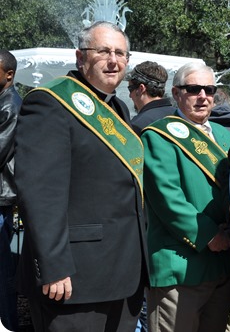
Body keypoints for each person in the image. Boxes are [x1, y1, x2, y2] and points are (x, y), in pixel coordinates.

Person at [15, 21, 147, 331]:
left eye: (120, 53)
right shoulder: (49, 102)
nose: (113, 61)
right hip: (74, 278)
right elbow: (40, 192)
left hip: (123, 274)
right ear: (80, 57)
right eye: (102, 51)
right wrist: (53, 265)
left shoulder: (118, 107)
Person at [141, 62, 230, 332]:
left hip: (222, 265)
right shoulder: (158, 136)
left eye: (209, 90)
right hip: (180, 267)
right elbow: (167, 198)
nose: (203, 96)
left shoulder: (224, 136)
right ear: (176, 93)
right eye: (193, 89)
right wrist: (210, 235)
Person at [0, 50, 21, 331]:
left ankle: (8, 324)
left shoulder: (10, 106)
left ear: (9, 75)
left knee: (2, 273)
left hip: (2, 200)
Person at [128, 61, 175, 135]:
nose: (130, 95)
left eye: (130, 89)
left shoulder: (137, 125)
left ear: (141, 89)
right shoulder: (180, 116)